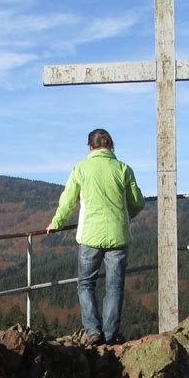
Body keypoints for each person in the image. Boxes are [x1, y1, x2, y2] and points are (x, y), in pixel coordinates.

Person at [46, 128, 145, 346]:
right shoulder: (123, 169)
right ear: (111, 146)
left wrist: (56, 223)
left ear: (90, 147)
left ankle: (93, 331)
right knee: (115, 287)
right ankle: (110, 336)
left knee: (85, 284)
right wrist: (126, 216)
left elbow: (68, 201)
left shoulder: (81, 168)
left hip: (90, 235)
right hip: (118, 236)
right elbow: (137, 201)